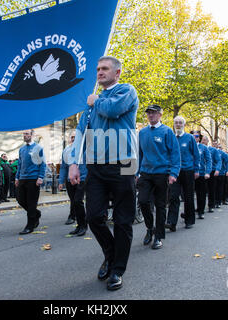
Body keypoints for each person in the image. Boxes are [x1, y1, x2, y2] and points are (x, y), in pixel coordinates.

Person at [69, 56, 139, 291]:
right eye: (97, 69)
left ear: (117, 73)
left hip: (125, 163)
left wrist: (95, 100)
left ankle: (118, 270)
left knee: (122, 220)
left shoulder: (126, 90)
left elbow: (113, 109)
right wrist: (73, 163)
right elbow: (80, 134)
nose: (99, 72)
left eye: (104, 69)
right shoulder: (90, 104)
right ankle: (110, 255)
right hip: (96, 165)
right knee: (94, 217)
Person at [137, 105, 180, 249]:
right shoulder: (142, 132)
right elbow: (140, 154)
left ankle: (158, 237)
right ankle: (150, 228)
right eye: (149, 113)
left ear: (160, 115)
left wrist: (173, 173)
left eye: (154, 113)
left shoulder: (167, 131)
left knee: (160, 206)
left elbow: (175, 153)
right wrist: (137, 172)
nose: (151, 115)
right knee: (142, 201)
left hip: (162, 173)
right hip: (145, 173)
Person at [166, 117, 200, 230]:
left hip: (188, 171)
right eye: (176, 122)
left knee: (188, 196)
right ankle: (171, 222)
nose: (178, 124)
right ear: (174, 124)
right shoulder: (170, 137)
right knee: (173, 196)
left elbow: (196, 155)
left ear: (184, 124)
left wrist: (196, 170)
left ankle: (189, 220)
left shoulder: (190, 138)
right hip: (174, 172)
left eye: (180, 122)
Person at [15, 129, 46, 234]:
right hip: (22, 178)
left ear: (32, 135)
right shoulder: (22, 149)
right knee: (20, 199)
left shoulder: (38, 148)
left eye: (27, 134)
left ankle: (30, 225)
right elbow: (20, 164)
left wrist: (40, 177)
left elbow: (43, 164)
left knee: (31, 202)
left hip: (34, 179)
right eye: (24, 134)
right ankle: (36, 213)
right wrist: (17, 177)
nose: (24, 135)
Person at [59, 132, 88, 236]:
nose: (73, 139)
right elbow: (63, 167)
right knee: (74, 202)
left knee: (78, 201)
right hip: (69, 179)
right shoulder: (66, 150)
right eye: (72, 137)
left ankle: (83, 226)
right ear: (69, 139)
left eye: (75, 137)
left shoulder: (84, 148)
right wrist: (61, 181)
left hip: (82, 178)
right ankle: (79, 225)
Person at [191, 131, 212, 220]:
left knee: (201, 194)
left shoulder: (203, 148)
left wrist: (207, 172)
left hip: (201, 174)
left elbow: (208, 160)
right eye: (192, 136)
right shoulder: (188, 146)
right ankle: (190, 212)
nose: (194, 137)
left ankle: (201, 211)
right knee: (189, 194)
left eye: (196, 136)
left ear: (199, 138)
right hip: (189, 173)